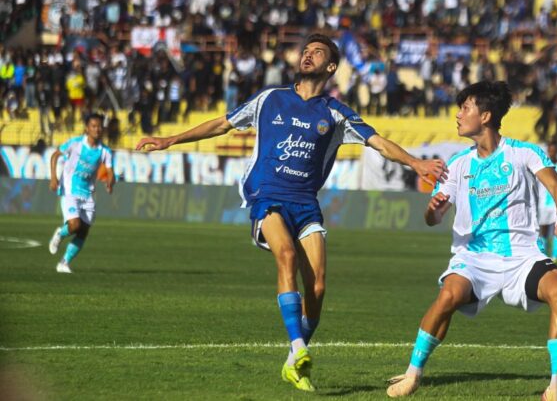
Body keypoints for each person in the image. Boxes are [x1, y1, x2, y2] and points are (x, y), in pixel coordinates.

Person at [135, 34, 447, 393]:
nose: (307, 55)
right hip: (267, 195)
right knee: (286, 256)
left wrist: (415, 162)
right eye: (306, 51)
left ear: (331, 66)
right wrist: (170, 140)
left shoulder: (335, 112)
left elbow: (378, 143)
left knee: (318, 287)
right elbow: (222, 124)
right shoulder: (270, 99)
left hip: (306, 203)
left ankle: (293, 361)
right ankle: (298, 348)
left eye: (318, 52)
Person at [385, 81, 557, 400]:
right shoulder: (458, 164)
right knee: (448, 296)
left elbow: (556, 186)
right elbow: (433, 218)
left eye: (465, 108)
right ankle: (412, 374)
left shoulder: (524, 153)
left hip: (522, 256)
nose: (458, 115)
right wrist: (433, 210)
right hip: (473, 258)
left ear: (485, 116)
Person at [48, 113, 115, 274]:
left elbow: (110, 171)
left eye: (99, 126)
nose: (97, 129)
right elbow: (55, 155)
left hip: (87, 194)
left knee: (84, 231)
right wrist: (53, 177)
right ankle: (60, 234)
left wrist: (110, 182)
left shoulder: (105, 151)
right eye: (93, 126)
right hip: (70, 189)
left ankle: (64, 263)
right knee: (75, 225)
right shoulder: (75, 143)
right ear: (87, 128)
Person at [537, 139, 557, 261]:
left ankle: (555, 255)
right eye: (550, 150)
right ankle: (544, 255)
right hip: (543, 203)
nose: (552, 152)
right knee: (543, 230)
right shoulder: (542, 165)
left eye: (554, 150)